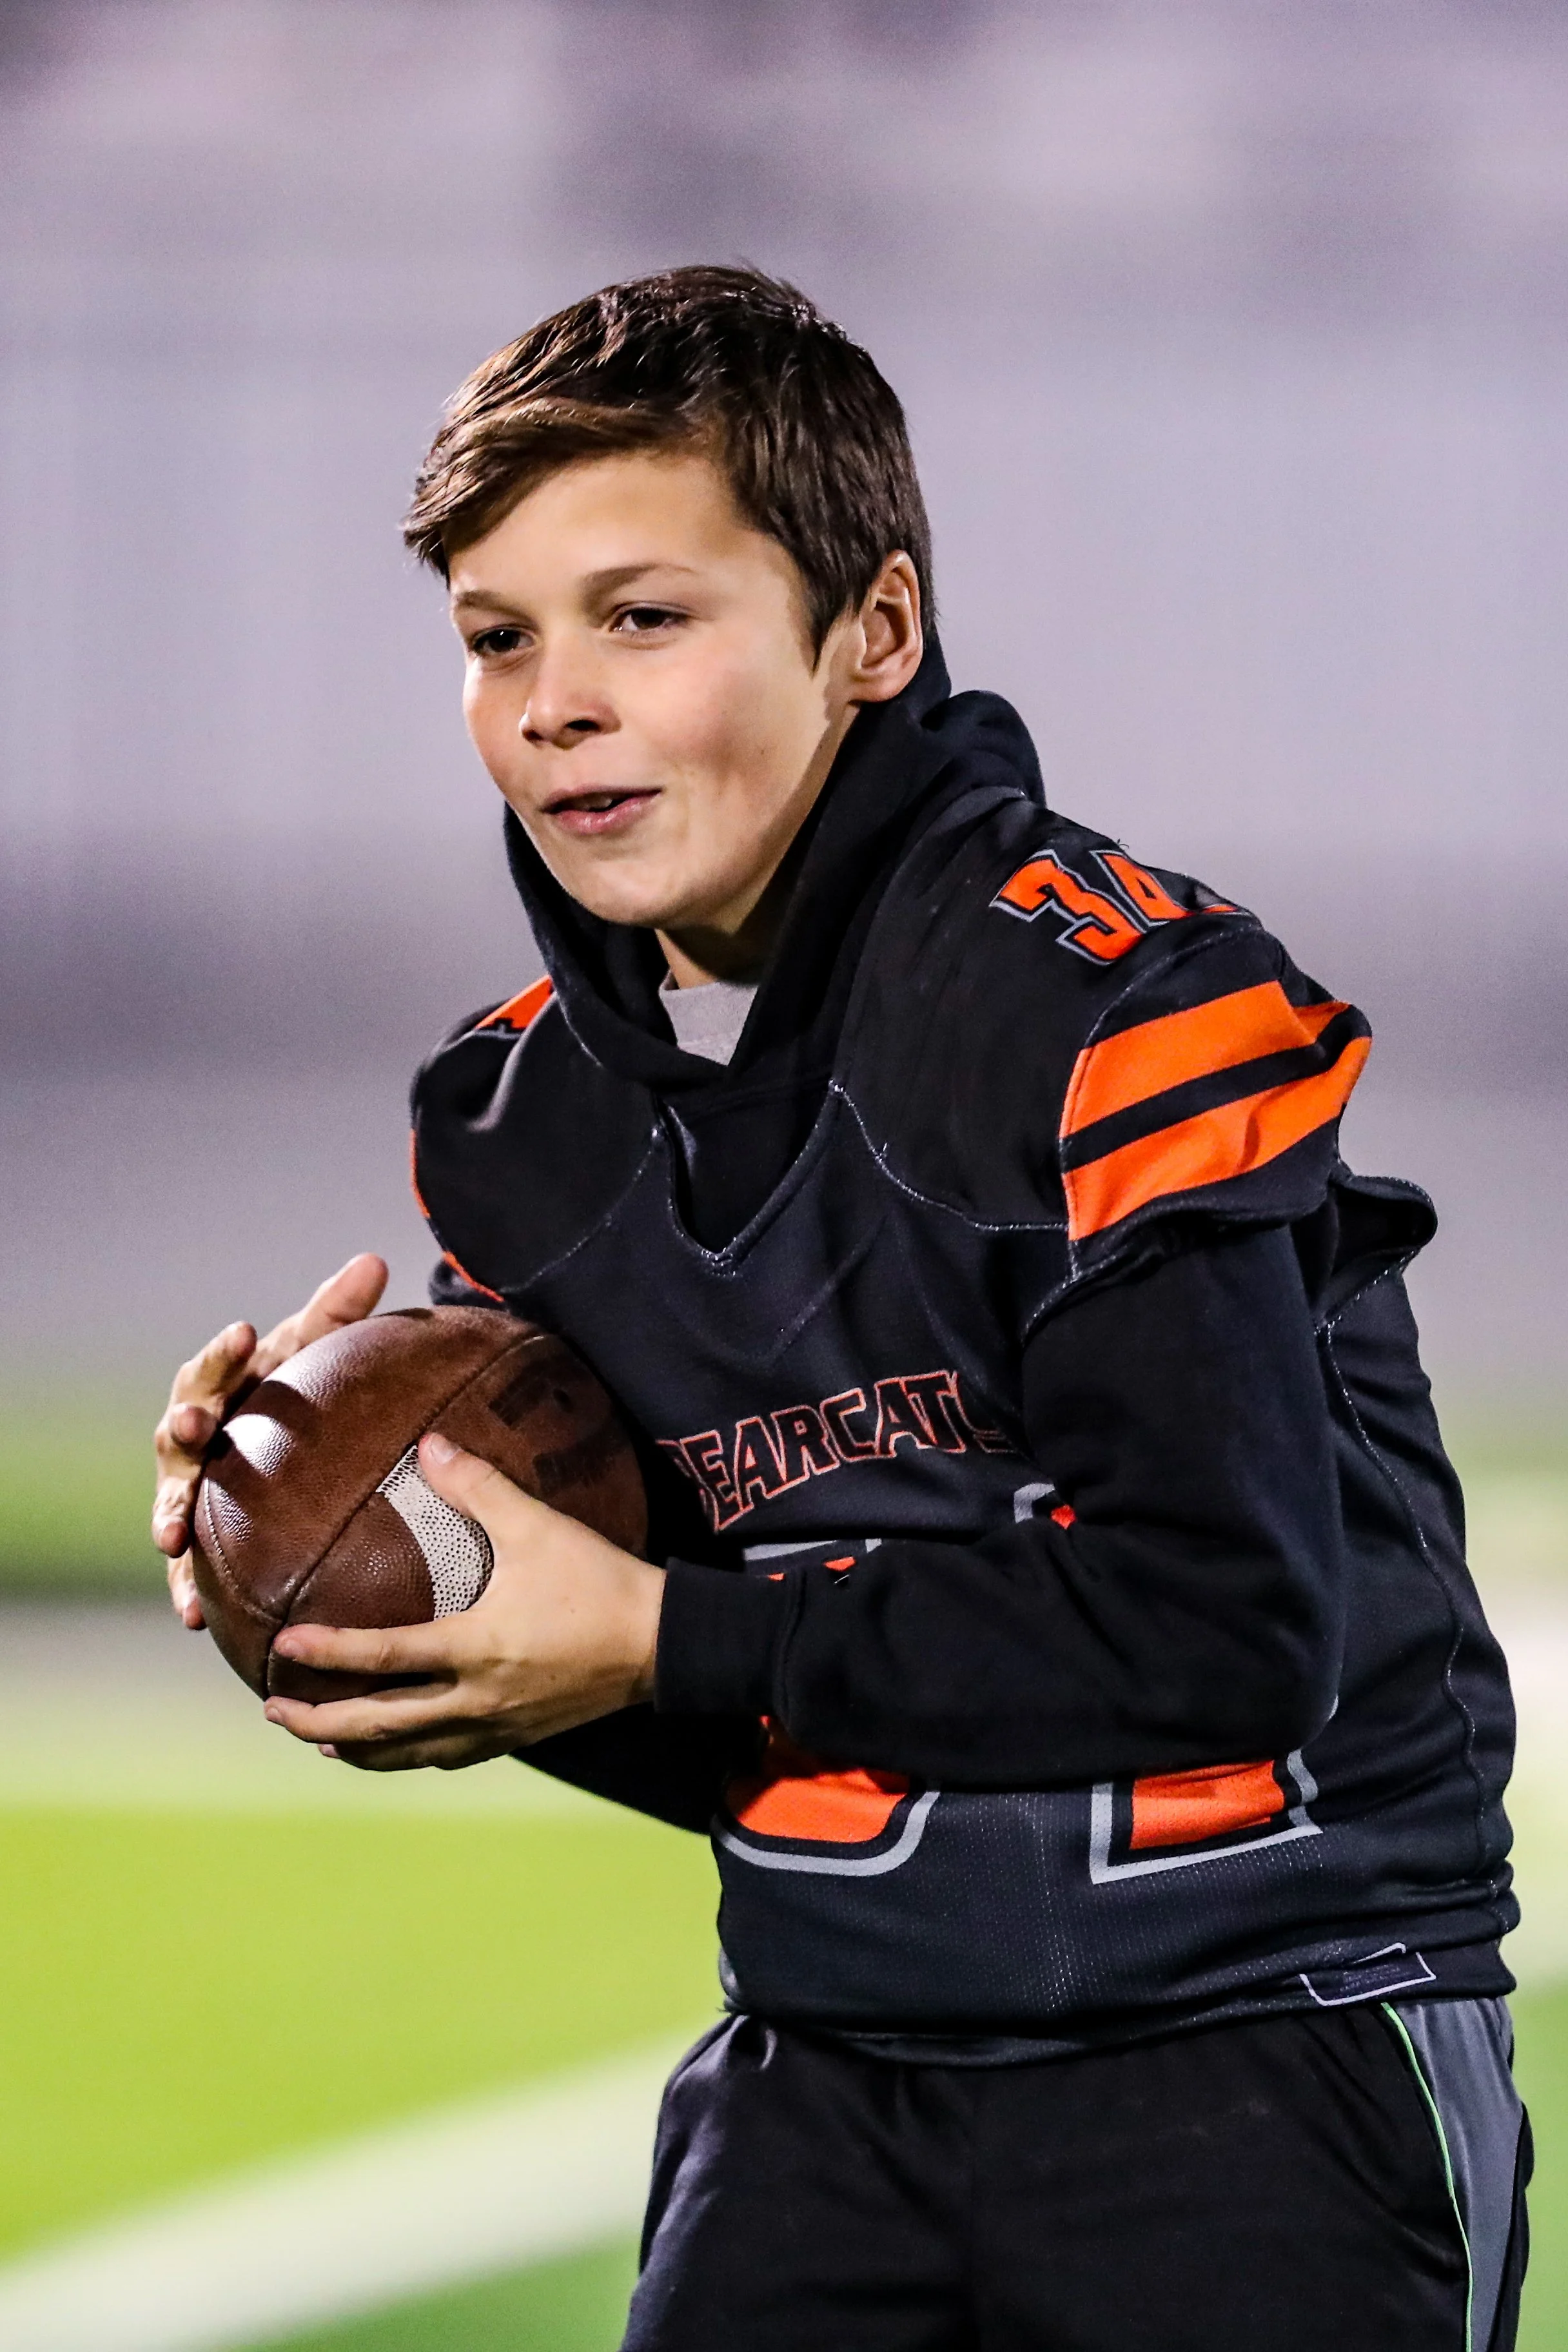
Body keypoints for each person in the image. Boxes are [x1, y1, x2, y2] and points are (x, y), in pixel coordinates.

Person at [152, 266, 1528, 2350]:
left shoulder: (1110, 1004)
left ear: (871, 630)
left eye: (644, 615)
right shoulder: (520, 1127)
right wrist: (377, 1595)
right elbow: (754, 1730)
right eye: (495, 639)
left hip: (1266, 2042)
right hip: (823, 2070)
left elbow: (1224, 1625)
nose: (555, 702)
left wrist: (661, 1632)